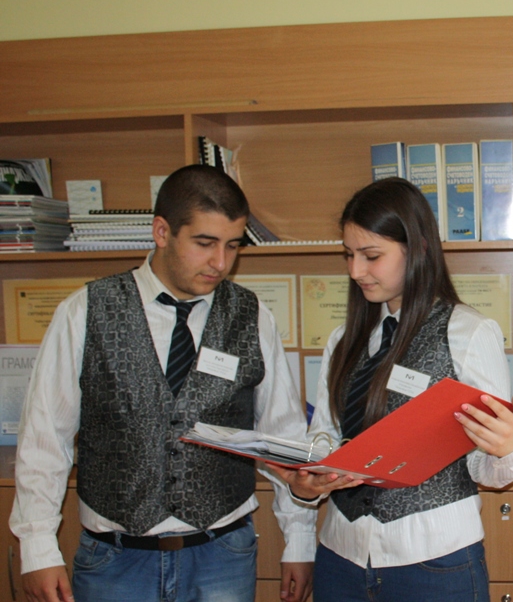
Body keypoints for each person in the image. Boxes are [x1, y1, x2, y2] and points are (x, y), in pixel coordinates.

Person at [9, 165, 317, 602]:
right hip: (116, 560)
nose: (221, 263)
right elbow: (45, 438)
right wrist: (38, 548)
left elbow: (282, 436)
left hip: (222, 555)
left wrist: (299, 541)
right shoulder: (85, 312)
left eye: (233, 245)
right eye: (205, 243)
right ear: (161, 232)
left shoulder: (253, 316)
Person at [269, 177, 513, 602]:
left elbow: (487, 469)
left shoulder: (468, 332)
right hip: (341, 554)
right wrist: (308, 482)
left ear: (419, 248)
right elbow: (325, 436)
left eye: (371, 256)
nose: (356, 271)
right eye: (349, 255)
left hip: (434, 559)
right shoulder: (344, 339)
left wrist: (510, 447)